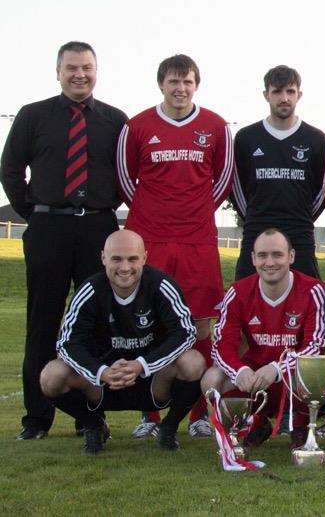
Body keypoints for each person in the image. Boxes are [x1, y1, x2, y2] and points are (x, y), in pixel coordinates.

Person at [2, 41, 127, 440]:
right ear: (57, 72)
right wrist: (36, 214)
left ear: (97, 70)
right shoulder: (33, 115)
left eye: (87, 67)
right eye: (71, 67)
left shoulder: (115, 120)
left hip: (97, 229)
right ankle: (36, 420)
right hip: (48, 230)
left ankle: (89, 415)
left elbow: (126, 176)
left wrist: (103, 213)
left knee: (94, 326)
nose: (80, 74)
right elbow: (10, 170)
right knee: (43, 323)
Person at [117, 54, 233, 439]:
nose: (180, 88)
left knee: (201, 322)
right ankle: (149, 414)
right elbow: (125, 180)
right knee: (147, 321)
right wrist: (156, 215)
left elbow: (222, 180)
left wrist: (192, 212)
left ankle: (200, 412)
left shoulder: (215, 126)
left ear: (196, 85)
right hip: (150, 238)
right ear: (161, 84)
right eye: (173, 81)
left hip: (198, 239)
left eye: (187, 81)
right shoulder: (137, 127)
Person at [40, 230, 204, 453]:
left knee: (193, 362)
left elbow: (186, 333)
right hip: (103, 382)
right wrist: (102, 372)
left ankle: (169, 427)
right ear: (103, 258)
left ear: (144, 258)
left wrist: (141, 365)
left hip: (152, 379)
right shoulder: (89, 290)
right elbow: (67, 343)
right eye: (116, 259)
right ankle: (94, 425)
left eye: (132, 259)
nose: (124, 267)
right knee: (51, 375)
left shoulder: (161, 285)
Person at [202, 228, 325, 449]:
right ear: (252, 258)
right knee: (212, 378)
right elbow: (222, 346)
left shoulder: (314, 290)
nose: (270, 262)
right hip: (254, 375)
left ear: (291, 256)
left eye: (277, 255)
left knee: (315, 371)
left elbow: (314, 346)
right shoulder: (238, 291)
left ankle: (300, 426)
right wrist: (239, 371)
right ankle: (252, 425)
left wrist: (277, 369)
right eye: (262, 255)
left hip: (292, 377)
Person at [231, 65, 325, 279]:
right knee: (245, 297)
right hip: (256, 229)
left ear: (299, 95)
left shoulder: (316, 138)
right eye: (277, 91)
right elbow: (236, 186)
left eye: (290, 92)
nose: (284, 98)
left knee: (309, 298)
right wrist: (255, 215)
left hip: (299, 232)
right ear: (266, 95)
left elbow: (323, 190)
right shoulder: (247, 137)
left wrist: (301, 217)